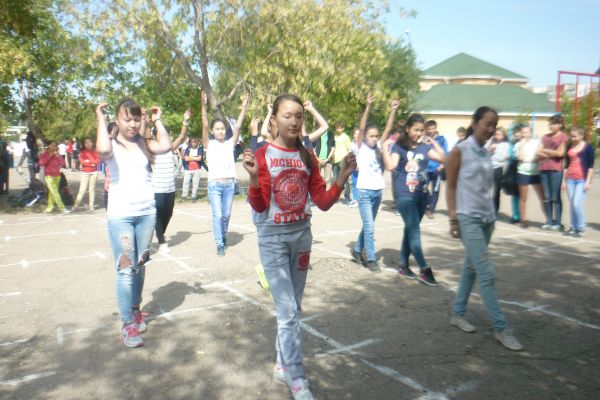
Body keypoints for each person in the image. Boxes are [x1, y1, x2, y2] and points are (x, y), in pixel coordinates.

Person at [242, 94, 356, 400]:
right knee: (288, 310)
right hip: (273, 239)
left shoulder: (308, 157)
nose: (294, 121)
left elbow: (323, 201)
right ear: (274, 120)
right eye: (287, 115)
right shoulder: (262, 155)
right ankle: (297, 379)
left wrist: (342, 176)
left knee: (294, 308)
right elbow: (260, 204)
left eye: (298, 116)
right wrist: (253, 179)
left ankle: (283, 364)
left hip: (302, 237)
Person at [445, 106, 524, 351]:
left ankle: (457, 313)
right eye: (486, 124)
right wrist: (453, 219)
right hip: (468, 218)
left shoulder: (485, 151)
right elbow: (450, 186)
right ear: (475, 122)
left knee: (471, 268)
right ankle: (501, 328)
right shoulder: (460, 150)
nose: (490, 129)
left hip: (488, 218)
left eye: (494, 125)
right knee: (486, 272)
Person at [96, 99, 172, 348]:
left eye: (136, 119)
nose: (132, 124)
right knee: (126, 270)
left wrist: (157, 120)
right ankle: (127, 324)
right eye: (126, 119)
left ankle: (136, 310)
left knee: (140, 265)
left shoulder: (144, 143)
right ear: (117, 120)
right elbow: (102, 150)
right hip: (121, 216)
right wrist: (100, 118)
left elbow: (166, 145)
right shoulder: (112, 145)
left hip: (146, 214)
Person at [382, 114, 446, 286]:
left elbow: (443, 158)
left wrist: (433, 142)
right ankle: (424, 269)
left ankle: (403, 265)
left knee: (410, 230)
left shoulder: (425, 147)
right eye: (416, 130)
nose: (419, 133)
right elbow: (390, 166)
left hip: (422, 195)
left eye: (421, 130)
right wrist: (384, 148)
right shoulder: (399, 147)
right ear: (407, 129)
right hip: (405, 195)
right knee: (415, 231)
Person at [349, 94, 398, 272]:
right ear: (365, 137)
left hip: (378, 191)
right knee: (369, 226)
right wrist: (368, 107)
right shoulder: (359, 147)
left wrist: (393, 111)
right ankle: (371, 259)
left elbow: (388, 128)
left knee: (368, 226)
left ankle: (357, 250)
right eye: (371, 136)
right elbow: (362, 128)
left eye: (377, 136)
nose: (375, 138)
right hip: (364, 192)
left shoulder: (378, 147)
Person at [201, 91, 249, 256]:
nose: (220, 131)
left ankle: (223, 235)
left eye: (222, 129)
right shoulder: (209, 144)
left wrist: (244, 108)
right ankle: (219, 243)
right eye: (217, 129)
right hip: (215, 185)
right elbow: (204, 125)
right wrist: (203, 106)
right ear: (213, 131)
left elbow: (238, 127)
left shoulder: (230, 143)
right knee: (218, 214)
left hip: (229, 185)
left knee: (226, 215)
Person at [150, 110, 190, 253]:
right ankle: (161, 241)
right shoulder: (151, 148)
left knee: (168, 214)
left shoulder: (170, 147)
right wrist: (147, 120)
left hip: (170, 188)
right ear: (155, 135)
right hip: (157, 189)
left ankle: (159, 233)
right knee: (158, 214)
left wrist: (185, 121)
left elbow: (182, 136)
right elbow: (144, 137)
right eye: (161, 134)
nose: (164, 136)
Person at [562, 126, 595, 237]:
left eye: (574, 136)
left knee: (577, 204)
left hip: (581, 180)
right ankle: (573, 227)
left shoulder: (588, 148)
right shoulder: (569, 146)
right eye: (571, 136)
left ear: (581, 136)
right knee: (572, 204)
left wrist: (588, 182)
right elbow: (566, 165)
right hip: (570, 179)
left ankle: (580, 228)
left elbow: (590, 167)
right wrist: (563, 181)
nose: (572, 138)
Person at [538, 114, 569, 230]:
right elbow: (538, 152)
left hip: (556, 170)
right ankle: (549, 221)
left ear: (560, 125)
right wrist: (553, 153)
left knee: (555, 197)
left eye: (554, 124)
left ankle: (558, 222)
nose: (551, 126)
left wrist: (545, 150)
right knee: (547, 197)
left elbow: (560, 153)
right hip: (543, 169)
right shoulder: (545, 137)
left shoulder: (563, 137)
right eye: (550, 124)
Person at [515, 125, 544, 229]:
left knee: (542, 197)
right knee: (523, 197)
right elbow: (520, 157)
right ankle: (523, 220)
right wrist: (522, 145)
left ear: (530, 133)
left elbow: (539, 156)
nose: (524, 134)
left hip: (535, 172)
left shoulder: (536, 142)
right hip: (523, 172)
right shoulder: (518, 144)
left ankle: (549, 220)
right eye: (523, 132)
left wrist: (529, 160)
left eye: (526, 132)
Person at [424, 120, 448, 219]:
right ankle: (428, 202)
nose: (430, 131)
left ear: (435, 128)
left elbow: (445, 152)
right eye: (429, 129)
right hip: (425, 169)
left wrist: (442, 165)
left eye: (432, 129)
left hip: (437, 169)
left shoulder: (441, 140)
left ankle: (430, 210)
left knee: (436, 190)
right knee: (423, 188)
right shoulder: (423, 139)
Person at [38, 141, 69, 213]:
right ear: (48, 146)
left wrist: (58, 157)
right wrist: (50, 156)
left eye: (55, 145)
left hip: (57, 176)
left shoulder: (57, 154)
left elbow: (63, 163)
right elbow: (41, 163)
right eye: (52, 145)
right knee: (55, 192)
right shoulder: (44, 154)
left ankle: (49, 208)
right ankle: (62, 208)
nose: (54, 147)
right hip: (49, 176)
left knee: (52, 193)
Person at [72, 138, 100, 211]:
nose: (88, 144)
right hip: (85, 172)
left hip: (94, 172)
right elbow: (82, 162)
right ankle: (75, 206)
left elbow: (97, 161)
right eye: (86, 143)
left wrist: (89, 161)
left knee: (92, 189)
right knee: (82, 190)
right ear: (84, 144)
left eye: (89, 142)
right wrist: (91, 163)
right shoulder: (82, 152)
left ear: (92, 143)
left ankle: (91, 206)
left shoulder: (95, 152)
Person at [487, 127, 510, 215]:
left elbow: (502, 158)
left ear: (503, 135)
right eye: (495, 134)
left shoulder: (505, 145)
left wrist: (494, 152)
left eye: (499, 134)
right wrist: (489, 150)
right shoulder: (490, 142)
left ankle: (495, 209)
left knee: (496, 191)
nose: (497, 136)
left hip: (497, 169)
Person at [332, 122, 352, 204]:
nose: (338, 129)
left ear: (343, 129)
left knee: (344, 180)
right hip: (335, 160)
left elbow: (349, 149)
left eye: (340, 128)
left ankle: (347, 198)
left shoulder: (345, 137)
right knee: (335, 180)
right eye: (337, 128)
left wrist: (347, 159)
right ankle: (335, 198)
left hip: (343, 160)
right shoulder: (334, 137)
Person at [181, 136, 204, 201]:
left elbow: (199, 158)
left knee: (195, 183)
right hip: (188, 169)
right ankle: (184, 196)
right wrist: (195, 157)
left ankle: (194, 196)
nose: (193, 143)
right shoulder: (188, 149)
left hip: (197, 169)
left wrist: (191, 157)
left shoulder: (199, 149)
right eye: (192, 142)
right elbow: (186, 158)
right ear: (190, 143)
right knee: (186, 182)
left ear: (197, 143)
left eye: (195, 142)